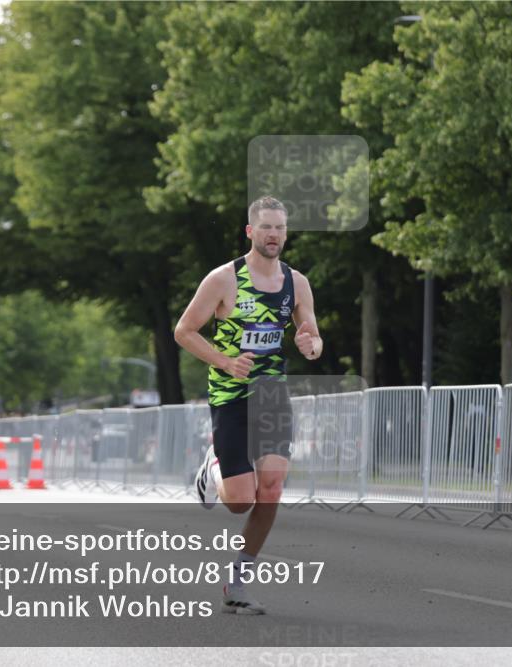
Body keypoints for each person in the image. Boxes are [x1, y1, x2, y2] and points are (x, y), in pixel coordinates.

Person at [174, 195, 323, 615]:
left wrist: (310, 344)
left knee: (271, 491)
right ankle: (214, 466)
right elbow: (184, 331)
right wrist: (224, 360)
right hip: (230, 395)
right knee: (241, 500)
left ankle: (238, 581)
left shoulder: (298, 283)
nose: (274, 234)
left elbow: (312, 336)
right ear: (250, 232)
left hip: (271, 394)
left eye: (280, 227)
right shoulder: (223, 280)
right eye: (266, 227)